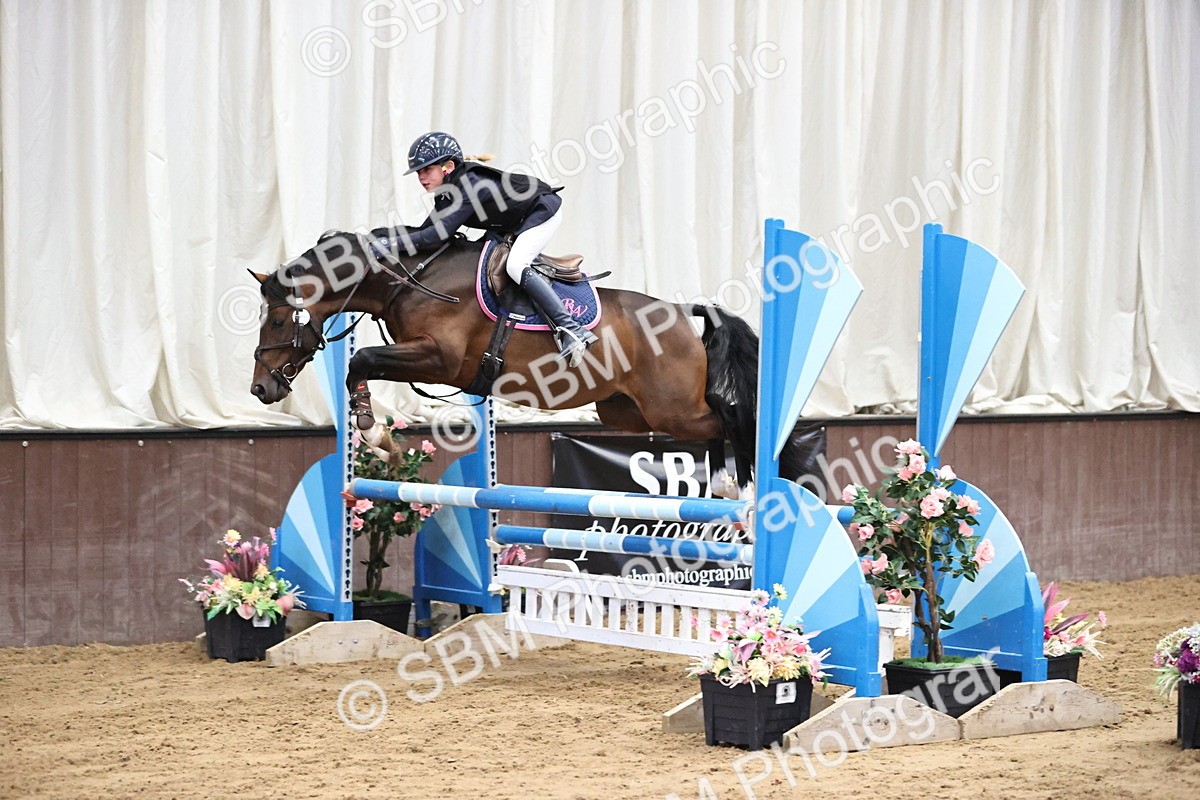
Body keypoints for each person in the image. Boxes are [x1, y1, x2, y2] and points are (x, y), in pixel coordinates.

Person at [398, 131, 598, 367]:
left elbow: (437, 235)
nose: (421, 177)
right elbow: (424, 232)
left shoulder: (468, 186)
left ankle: (572, 329)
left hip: (541, 211)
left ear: (448, 166)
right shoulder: (446, 194)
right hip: (510, 222)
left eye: (426, 170)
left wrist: (390, 243)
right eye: (418, 172)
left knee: (515, 265)